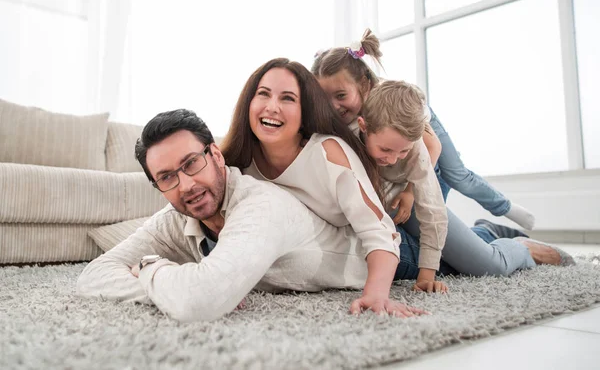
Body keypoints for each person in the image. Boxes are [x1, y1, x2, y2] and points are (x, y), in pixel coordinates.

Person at [76, 109, 426, 322]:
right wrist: (186, 280)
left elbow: (200, 300)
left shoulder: (260, 204)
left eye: (191, 164)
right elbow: (92, 277)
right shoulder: (175, 218)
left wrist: (151, 268)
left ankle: (484, 230)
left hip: (397, 251)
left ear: (215, 154)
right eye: (167, 177)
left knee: (478, 260)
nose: (186, 185)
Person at [220, 57, 449, 295]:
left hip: (392, 219)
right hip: (377, 213)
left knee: (470, 261)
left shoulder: (332, 152)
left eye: (287, 98)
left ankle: (486, 233)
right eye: (263, 94)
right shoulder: (239, 168)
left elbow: (424, 216)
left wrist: (424, 274)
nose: (272, 107)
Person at [312, 28, 536, 231]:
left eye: (340, 96)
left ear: (364, 85)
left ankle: (506, 208)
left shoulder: (387, 102)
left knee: (457, 176)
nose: (333, 105)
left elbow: (432, 146)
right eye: (325, 97)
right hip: (398, 135)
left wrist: (410, 190)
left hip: (421, 120)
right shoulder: (346, 113)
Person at [353, 79, 575, 280]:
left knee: (491, 267)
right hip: (387, 208)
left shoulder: (417, 153)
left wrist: (427, 274)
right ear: (363, 126)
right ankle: (484, 233)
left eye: (402, 152)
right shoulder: (350, 136)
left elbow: (433, 213)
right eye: (386, 150)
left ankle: (522, 248)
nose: (392, 160)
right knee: (450, 259)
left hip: (407, 204)